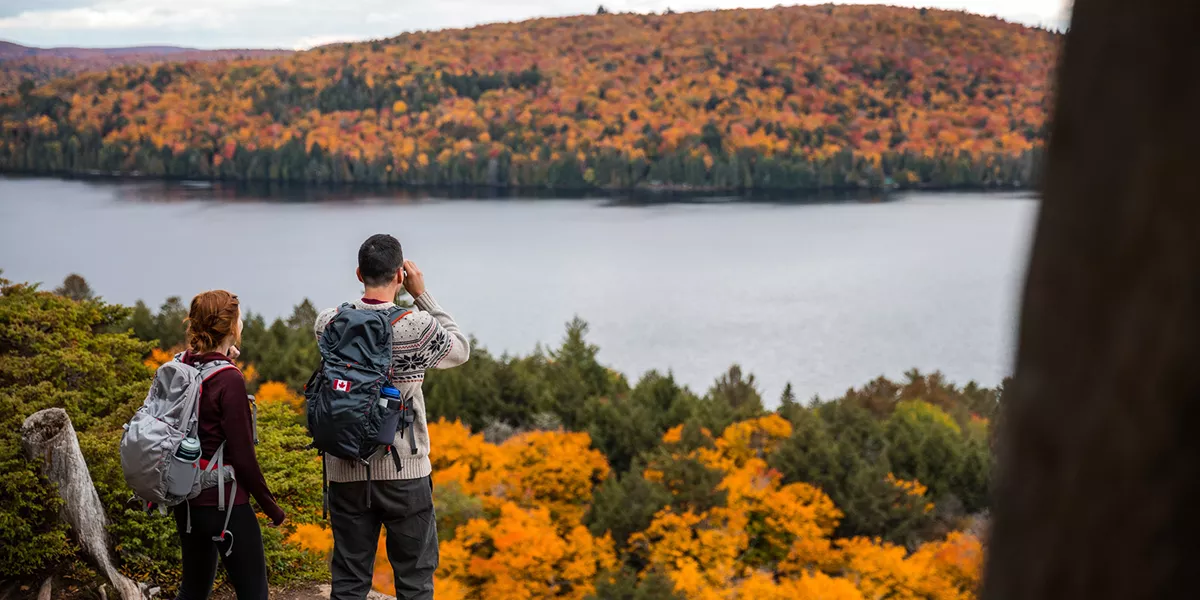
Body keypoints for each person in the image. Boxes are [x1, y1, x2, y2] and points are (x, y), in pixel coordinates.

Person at [315, 234, 470, 600]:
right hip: (405, 471)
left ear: (358, 273)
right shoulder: (416, 326)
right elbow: (460, 349)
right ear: (400, 275)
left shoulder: (328, 323)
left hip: (344, 466)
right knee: (415, 581)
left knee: (350, 580)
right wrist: (422, 295)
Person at [176, 290, 286, 600]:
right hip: (225, 504)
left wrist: (223, 356)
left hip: (186, 499)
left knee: (193, 591)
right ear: (231, 326)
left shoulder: (183, 364)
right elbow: (243, 457)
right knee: (254, 595)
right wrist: (270, 507)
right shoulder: (229, 380)